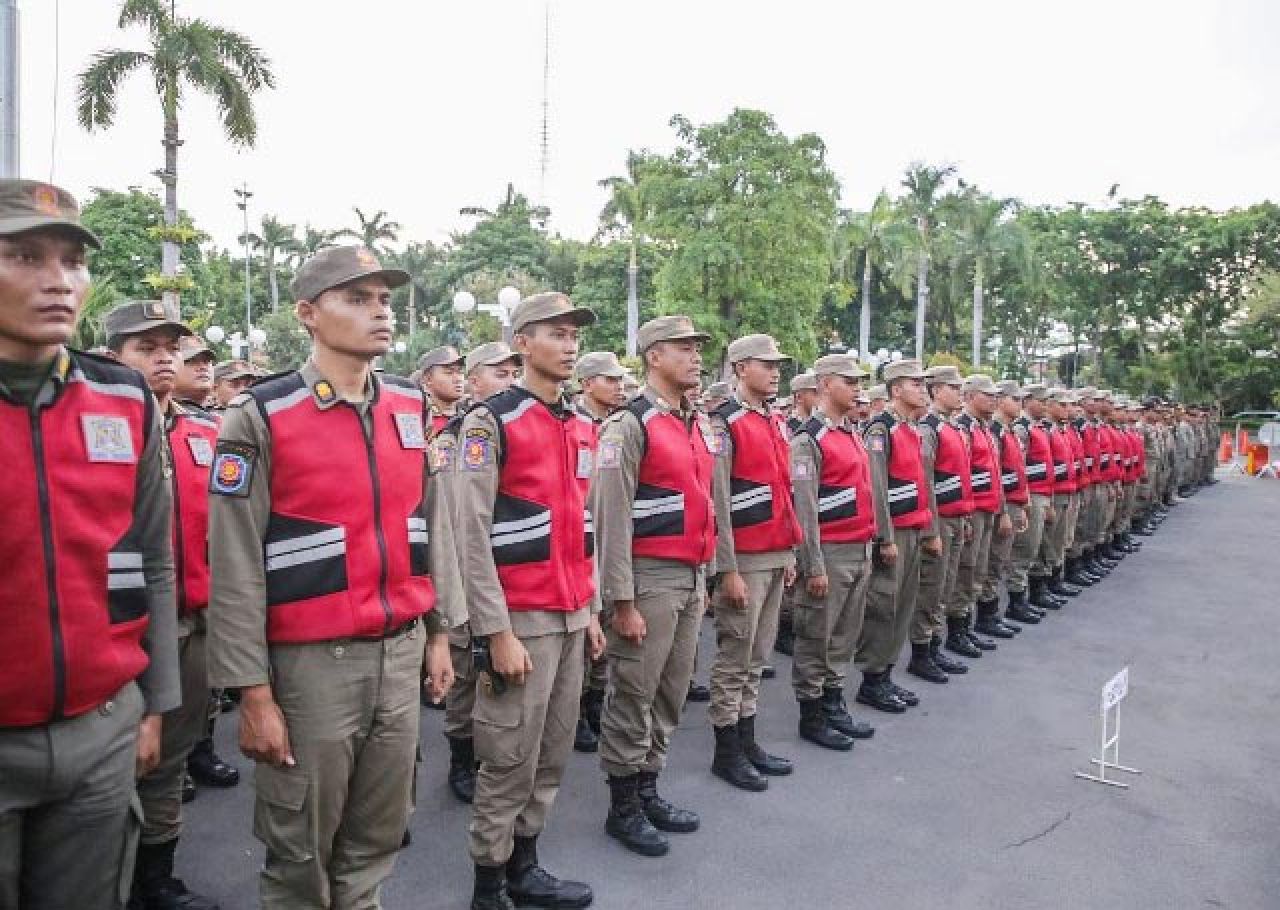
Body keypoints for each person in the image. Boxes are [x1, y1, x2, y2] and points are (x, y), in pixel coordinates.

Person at [207, 245, 462, 909]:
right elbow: (233, 563)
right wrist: (252, 693)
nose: (379, 312)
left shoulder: (409, 404)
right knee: (300, 854)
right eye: (357, 299)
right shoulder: (261, 415)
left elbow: (427, 527)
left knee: (376, 838)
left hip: (399, 653)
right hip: (311, 670)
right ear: (308, 314)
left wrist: (436, 631)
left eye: (382, 299)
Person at [0, 178, 180, 909]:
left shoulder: (121, 398)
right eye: (24, 257)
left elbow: (154, 561)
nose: (57, 281)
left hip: (100, 732)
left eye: (72, 262)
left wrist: (152, 704)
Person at [454, 291, 606, 910]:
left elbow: (583, 526)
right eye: (555, 333)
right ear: (522, 342)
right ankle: (488, 884)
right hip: (521, 619)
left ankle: (526, 864)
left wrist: (591, 611)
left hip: (570, 616)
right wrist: (496, 632)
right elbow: (470, 535)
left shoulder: (578, 424)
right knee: (508, 759)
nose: (569, 344)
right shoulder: (491, 422)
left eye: (574, 335)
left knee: (551, 752)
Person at [103, 301, 223, 910]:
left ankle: (158, 875)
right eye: (144, 347)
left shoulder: (206, 433)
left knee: (172, 758)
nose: (163, 357)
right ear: (112, 358)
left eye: (170, 346)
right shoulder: (98, 429)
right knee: (112, 767)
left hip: (195, 622)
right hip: (121, 631)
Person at [591, 315, 714, 856]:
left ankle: (649, 786)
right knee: (634, 695)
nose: (695, 357)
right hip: (647, 581)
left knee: (670, 691)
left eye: (697, 349)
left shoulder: (692, 420)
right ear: (654, 356)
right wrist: (621, 600)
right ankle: (623, 805)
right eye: (683, 348)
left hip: (690, 577)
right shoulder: (630, 424)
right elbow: (611, 518)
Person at [707, 334, 802, 791]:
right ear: (741, 368)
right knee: (735, 655)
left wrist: (789, 551)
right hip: (743, 557)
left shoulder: (773, 419)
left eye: (778, 364)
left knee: (758, 655)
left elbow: (782, 490)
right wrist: (726, 569)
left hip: (773, 551)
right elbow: (719, 501)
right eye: (766, 364)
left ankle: (747, 738)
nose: (775, 370)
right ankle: (727, 749)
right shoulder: (724, 423)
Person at [440, 341, 523, 805]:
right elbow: (455, 516)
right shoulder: (457, 436)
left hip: (500, 570)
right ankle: (459, 756)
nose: (509, 380)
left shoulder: (513, 426)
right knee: (465, 668)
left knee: (494, 669)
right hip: (459, 568)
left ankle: (492, 756)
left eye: (514, 372)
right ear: (474, 381)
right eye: (499, 373)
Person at [788, 354, 878, 750]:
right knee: (817, 636)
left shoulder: (850, 433)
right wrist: (814, 564)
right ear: (825, 384)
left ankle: (833, 701)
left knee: (844, 635)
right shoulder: (810, 438)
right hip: (830, 550)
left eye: (859, 381)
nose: (858, 388)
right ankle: (812, 714)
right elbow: (805, 508)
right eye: (849, 381)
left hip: (858, 547)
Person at [857, 359, 940, 712]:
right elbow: (876, 488)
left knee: (904, 606)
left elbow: (925, 485)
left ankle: (887, 673)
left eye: (924, 384)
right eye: (916, 384)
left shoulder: (914, 429)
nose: (923, 390)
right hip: (894, 535)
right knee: (884, 606)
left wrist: (930, 529)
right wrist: (884, 538)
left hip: (914, 529)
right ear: (896, 390)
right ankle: (872, 679)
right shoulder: (881, 429)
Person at [571, 350, 628, 753]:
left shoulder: (615, 425)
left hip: (604, 536)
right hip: (578, 538)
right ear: (588, 383)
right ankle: (575, 712)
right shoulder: (573, 423)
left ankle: (594, 703)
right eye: (611, 380)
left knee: (603, 633)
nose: (619, 387)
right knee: (581, 640)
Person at [911, 365, 975, 675]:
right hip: (938, 523)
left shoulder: (952, 428)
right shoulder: (930, 429)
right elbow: (925, 483)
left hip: (954, 518)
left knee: (947, 584)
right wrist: (931, 530)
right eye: (954, 386)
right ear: (936, 391)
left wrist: (964, 515)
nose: (960, 392)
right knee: (932, 588)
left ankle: (935, 645)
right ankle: (922, 652)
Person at [953, 374, 1017, 642]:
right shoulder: (963, 428)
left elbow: (995, 475)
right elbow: (963, 476)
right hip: (973, 509)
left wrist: (1002, 510)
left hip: (988, 507)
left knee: (981, 569)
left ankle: (973, 624)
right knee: (966, 572)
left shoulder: (985, 429)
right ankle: (958, 631)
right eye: (987, 394)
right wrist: (966, 516)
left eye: (995, 395)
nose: (994, 399)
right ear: (969, 397)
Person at [990, 380, 1038, 626]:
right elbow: (995, 475)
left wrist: (1025, 500)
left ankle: (1004, 609)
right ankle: (988, 616)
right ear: (1001, 400)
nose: (1020, 404)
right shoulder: (996, 431)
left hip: (1015, 502)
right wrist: (1003, 512)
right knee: (995, 562)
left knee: (1009, 557)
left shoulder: (1009, 431)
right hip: (1004, 504)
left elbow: (1019, 470)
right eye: (1015, 399)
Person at [419, 345, 465, 433]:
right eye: (449, 373)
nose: (458, 379)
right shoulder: (420, 417)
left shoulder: (470, 417)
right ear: (428, 379)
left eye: (460, 372)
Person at [175, 335, 216, 408]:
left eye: (206, 361)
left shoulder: (219, 417)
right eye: (192, 361)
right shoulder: (156, 415)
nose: (203, 367)